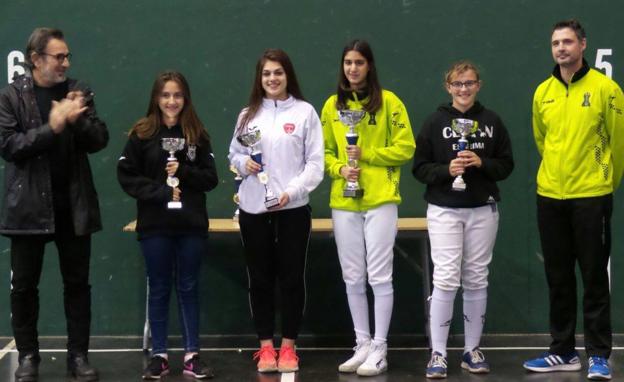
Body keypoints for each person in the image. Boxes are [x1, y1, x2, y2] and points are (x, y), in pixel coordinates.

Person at [0, 27, 108, 382]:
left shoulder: (78, 93)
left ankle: (78, 357)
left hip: (72, 206)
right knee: (24, 287)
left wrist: (76, 122)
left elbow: (99, 140)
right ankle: (29, 356)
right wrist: (53, 126)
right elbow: (11, 147)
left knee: (77, 285)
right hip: (28, 208)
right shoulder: (11, 97)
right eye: (58, 56)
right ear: (35, 59)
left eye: (67, 56)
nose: (65, 63)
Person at [523, 19, 624, 381]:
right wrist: (555, 176)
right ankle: (563, 351)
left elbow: (617, 142)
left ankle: (598, 354)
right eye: (555, 43)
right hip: (550, 197)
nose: (561, 48)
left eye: (567, 41)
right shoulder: (543, 92)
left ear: (583, 45)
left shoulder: (606, 89)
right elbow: (542, 139)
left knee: (595, 277)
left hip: (592, 197)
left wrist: (601, 183)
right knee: (558, 277)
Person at [412, 61, 514, 379]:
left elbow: (506, 165)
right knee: (445, 278)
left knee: (476, 278)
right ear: (448, 87)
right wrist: (447, 171)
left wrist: (481, 162)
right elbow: (419, 168)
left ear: (478, 85)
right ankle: (439, 353)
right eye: (458, 84)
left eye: (469, 83)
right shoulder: (434, 122)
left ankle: (471, 351)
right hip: (444, 209)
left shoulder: (492, 122)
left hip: (482, 209)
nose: (464, 89)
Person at [321, 39, 415, 377]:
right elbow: (326, 152)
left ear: (369, 66)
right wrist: (341, 169)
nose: (353, 68)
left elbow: (406, 148)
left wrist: (367, 156)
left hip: (381, 200)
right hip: (343, 201)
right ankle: (361, 343)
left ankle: (379, 346)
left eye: (359, 62)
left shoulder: (389, 102)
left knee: (379, 275)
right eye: (348, 62)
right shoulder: (332, 106)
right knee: (353, 276)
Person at [228, 49, 324, 373]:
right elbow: (234, 156)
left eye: (278, 72)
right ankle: (265, 347)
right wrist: (245, 163)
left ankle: (289, 347)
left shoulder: (305, 113)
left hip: (293, 209)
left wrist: (290, 192)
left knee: (292, 278)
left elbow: (315, 165)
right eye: (267, 73)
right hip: (254, 210)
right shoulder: (247, 115)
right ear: (260, 77)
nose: (272, 78)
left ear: (287, 75)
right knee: (260, 279)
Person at [117, 71, 218, 379]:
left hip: (190, 225)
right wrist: (161, 192)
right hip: (155, 225)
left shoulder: (197, 134)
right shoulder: (142, 133)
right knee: (159, 287)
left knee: (188, 286)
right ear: (156, 99)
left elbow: (210, 179)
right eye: (165, 95)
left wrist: (183, 171)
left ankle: (192, 355)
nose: (171, 101)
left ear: (185, 98)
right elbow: (127, 177)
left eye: (177, 95)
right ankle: (159, 354)